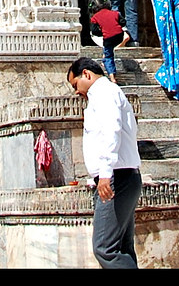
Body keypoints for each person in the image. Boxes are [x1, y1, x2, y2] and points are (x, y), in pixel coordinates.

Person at [67, 56, 142, 269]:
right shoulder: (105, 94)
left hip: (117, 177)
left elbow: (112, 131)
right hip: (122, 176)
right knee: (120, 247)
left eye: (76, 84)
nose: (76, 91)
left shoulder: (104, 93)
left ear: (87, 75)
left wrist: (106, 173)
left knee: (105, 248)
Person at [89, 0, 131, 83]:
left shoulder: (95, 17)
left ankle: (112, 77)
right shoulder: (115, 13)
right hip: (119, 35)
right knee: (111, 47)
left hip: (108, 38)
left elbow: (94, 31)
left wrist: (103, 32)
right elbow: (123, 22)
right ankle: (122, 42)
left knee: (108, 57)